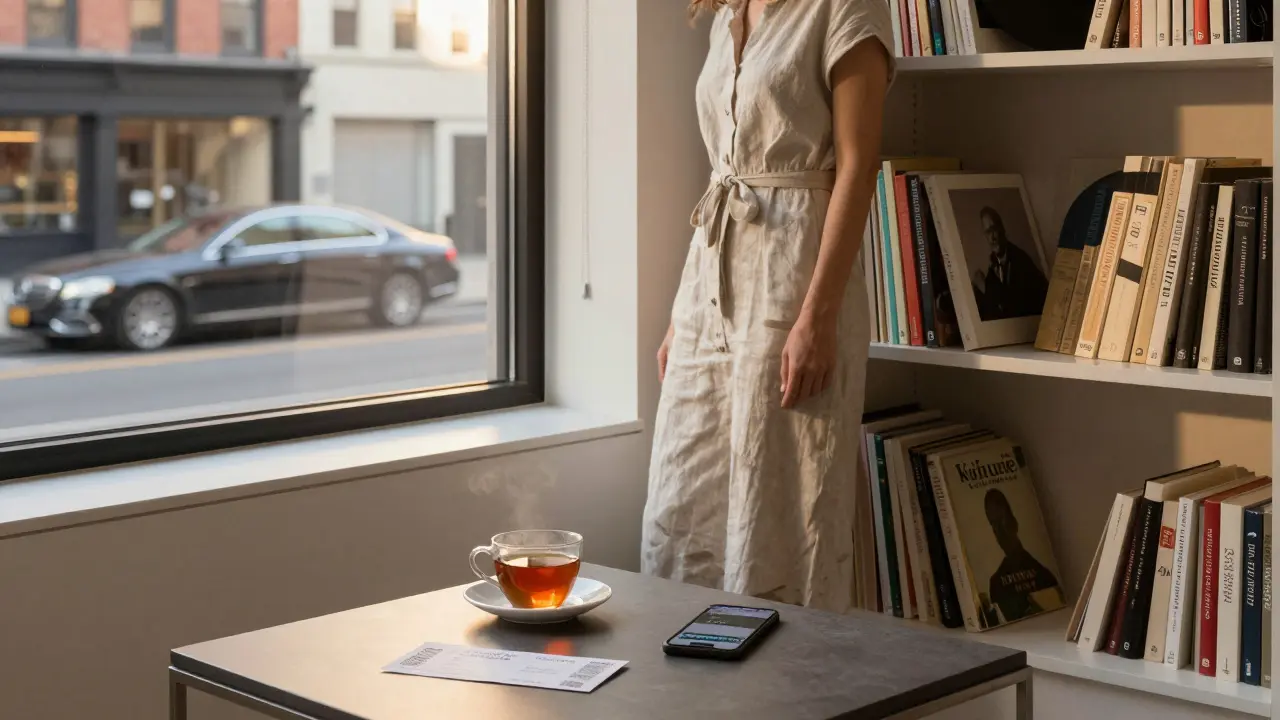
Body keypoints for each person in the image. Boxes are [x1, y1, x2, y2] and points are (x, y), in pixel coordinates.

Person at [641, 0, 894, 613]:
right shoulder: (729, 14)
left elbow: (857, 168)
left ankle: (782, 696)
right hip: (710, 285)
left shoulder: (844, 8)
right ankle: (690, 694)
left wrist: (818, 319)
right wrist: (683, 314)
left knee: (781, 507)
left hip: (792, 277)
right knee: (682, 504)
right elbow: (721, 176)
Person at [983, 489, 1063, 624]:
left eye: (1001, 519)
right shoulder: (996, 584)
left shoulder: (1044, 575)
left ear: (1014, 522)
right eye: (993, 524)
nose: (999, 531)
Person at [972, 206, 1048, 320]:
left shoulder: (1021, 260)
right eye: (988, 232)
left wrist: (985, 287)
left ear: (1002, 229)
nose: (992, 238)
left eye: (994, 229)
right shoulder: (994, 264)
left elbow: (1013, 309)